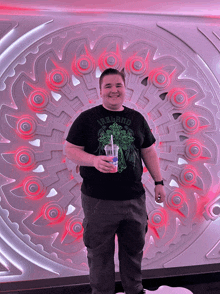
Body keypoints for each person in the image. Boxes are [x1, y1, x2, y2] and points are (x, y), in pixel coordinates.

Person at [65, 68, 165, 294]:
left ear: (124, 88)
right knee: (99, 254)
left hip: (134, 198)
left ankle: (135, 290)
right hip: (98, 200)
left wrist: (159, 182)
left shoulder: (136, 118)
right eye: (108, 86)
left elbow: (148, 151)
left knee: (133, 249)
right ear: (100, 90)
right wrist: (93, 160)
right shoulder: (87, 119)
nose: (113, 90)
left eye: (118, 85)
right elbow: (70, 150)